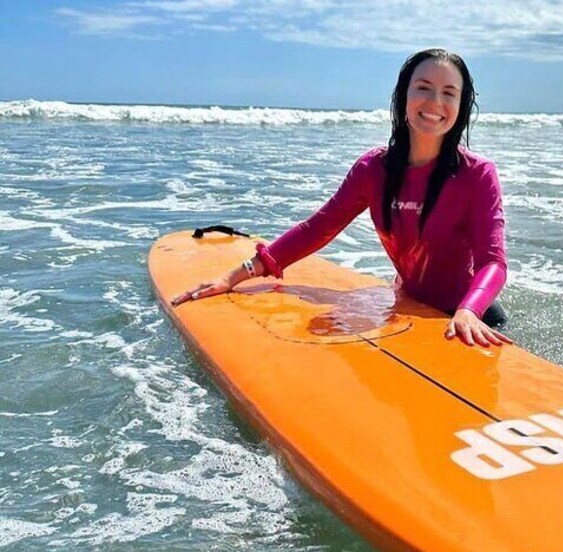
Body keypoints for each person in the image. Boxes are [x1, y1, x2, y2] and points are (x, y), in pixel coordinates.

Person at [172, 48, 511, 348]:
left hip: (470, 319)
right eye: (423, 87)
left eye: (449, 93)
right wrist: (234, 277)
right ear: (403, 97)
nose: (436, 102)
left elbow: (492, 262)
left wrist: (469, 310)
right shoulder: (373, 169)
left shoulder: (476, 174)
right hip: (410, 308)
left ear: (461, 105)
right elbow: (319, 227)